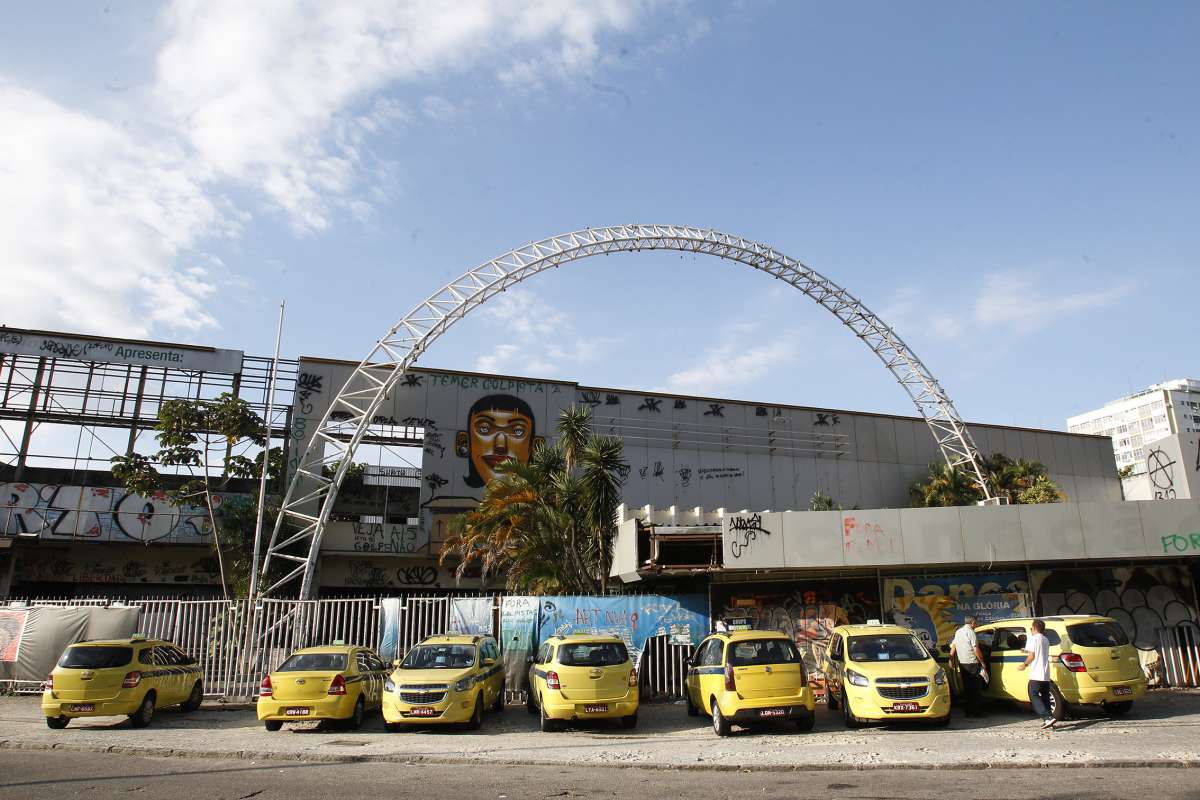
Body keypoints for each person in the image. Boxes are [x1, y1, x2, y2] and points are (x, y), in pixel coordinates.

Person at [1019, 618, 1056, 729]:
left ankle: (1047, 717)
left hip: (1036, 673)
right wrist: (1025, 650)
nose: (1031, 630)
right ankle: (1049, 718)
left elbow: (1032, 656)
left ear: (1034, 627)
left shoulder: (1032, 638)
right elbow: (1038, 651)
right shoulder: (1045, 639)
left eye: (1031, 628)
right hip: (1045, 674)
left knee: (1034, 695)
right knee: (1045, 696)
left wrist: (1024, 665)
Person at [949, 615, 986, 717]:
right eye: (976, 623)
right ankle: (976, 711)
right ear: (973, 622)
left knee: (967, 688)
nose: (976, 624)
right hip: (972, 663)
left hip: (963, 664)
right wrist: (982, 662)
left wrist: (950, 659)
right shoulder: (971, 632)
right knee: (975, 688)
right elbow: (976, 649)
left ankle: (968, 711)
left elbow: (953, 647)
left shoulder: (958, 632)